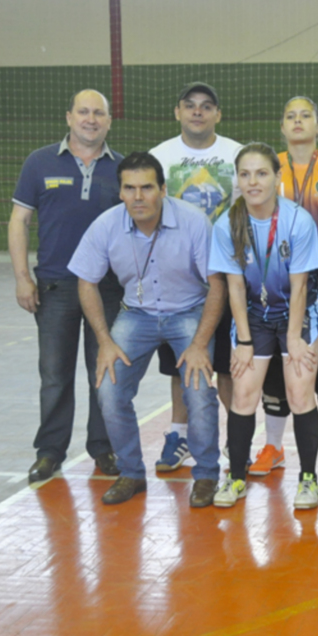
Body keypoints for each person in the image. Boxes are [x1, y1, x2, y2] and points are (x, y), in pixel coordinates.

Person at [68, 152, 225, 506]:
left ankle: (206, 475)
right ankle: (131, 473)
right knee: (108, 389)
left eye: (147, 187)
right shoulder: (106, 225)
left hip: (189, 311)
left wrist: (200, 343)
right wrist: (104, 342)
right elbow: (85, 282)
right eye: (130, 188)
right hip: (136, 314)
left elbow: (217, 284)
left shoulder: (194, 221)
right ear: (121, 192)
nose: (138, 196)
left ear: (163, 189)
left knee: (198, 390)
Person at [8, 89, 124, 483]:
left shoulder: (121, 170)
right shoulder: (39, 162)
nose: (91, 119)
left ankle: (103, 448)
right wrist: (23, 277)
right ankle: (50, 452)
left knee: (103, 373)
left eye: (99, 113)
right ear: (69, 116)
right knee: (55, 374)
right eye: (84, 112)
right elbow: (19, 221)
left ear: (109, 121)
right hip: (55, 287)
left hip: (107, 291)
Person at [208, 143, 318, 510]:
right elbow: (235, 285)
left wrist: (293, 338)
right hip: (254, 315)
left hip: (297, 311)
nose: (253, 182)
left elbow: (300, 285)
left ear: (277, 177)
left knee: (299, 393)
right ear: (237, 179)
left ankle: (308, 479)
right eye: (245, 174)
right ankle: (237, 477)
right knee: (243, 394)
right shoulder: (228, 223)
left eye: (261, 173)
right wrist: (243, 339)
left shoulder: (298, 221)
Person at [250, 96, 318, 479]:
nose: (298, 121)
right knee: (277, 371)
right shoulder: (267, 169)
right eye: (290, 116)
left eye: (306, 116)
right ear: (281, 126)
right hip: (277, 285)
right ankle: (273, 447)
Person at [149, 81, 242, 472]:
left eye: (206, 106)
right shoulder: (160, 156)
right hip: (177, 281)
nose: (198, 112)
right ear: (178, 112)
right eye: (190, 106)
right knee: (179, 364)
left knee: (226, 365)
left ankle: (240, 440)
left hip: (226, 274)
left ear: (218, 114)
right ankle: (180, 435)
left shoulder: (236, 154)